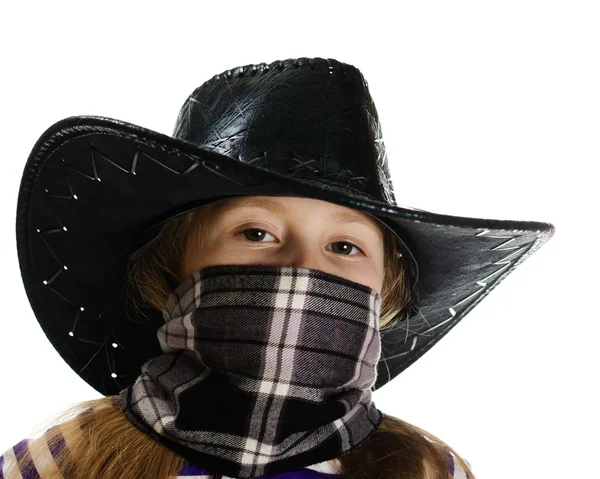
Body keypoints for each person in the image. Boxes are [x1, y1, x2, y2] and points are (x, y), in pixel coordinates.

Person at [2, 57, 554, 478]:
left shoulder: (423, 470)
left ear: (385, 292)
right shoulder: (63, 463)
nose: (301, 267)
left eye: (344, 247)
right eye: (256, 233)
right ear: (171, 271)